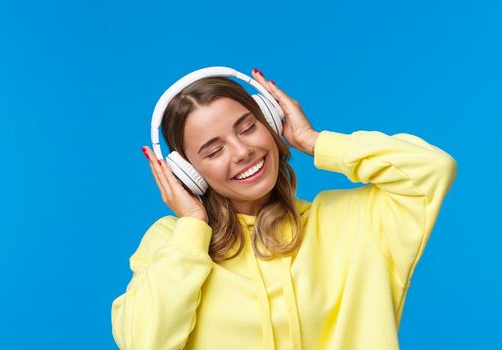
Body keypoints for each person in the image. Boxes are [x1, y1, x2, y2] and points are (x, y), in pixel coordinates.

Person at [110, 68, 457, 350]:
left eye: (248, 127)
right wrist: (192, 227)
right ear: (187, 173)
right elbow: (143, 343)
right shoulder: (171, 244)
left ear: (272, 123)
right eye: (214, 151)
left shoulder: (353, 222)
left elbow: (430, 169)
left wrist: (313, 140)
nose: (242, 151)